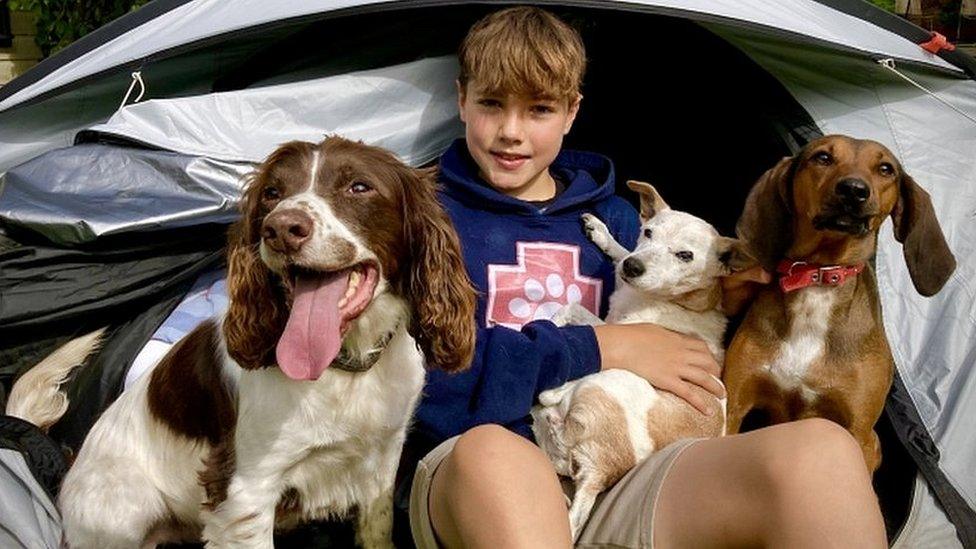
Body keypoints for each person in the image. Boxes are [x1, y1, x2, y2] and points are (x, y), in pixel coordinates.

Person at [396, 6, 887, 548]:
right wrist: (602, 346)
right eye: (491, 104)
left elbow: (682, 352)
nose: (511, 132)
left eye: (539, 109)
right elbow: (412, 385)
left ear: (572, 111)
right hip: (477, 468)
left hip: (623, 466)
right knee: (497, 456)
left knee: (822, 452)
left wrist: (722, 305)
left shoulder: (621, 223)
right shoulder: (421, 220)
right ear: (462, 99)